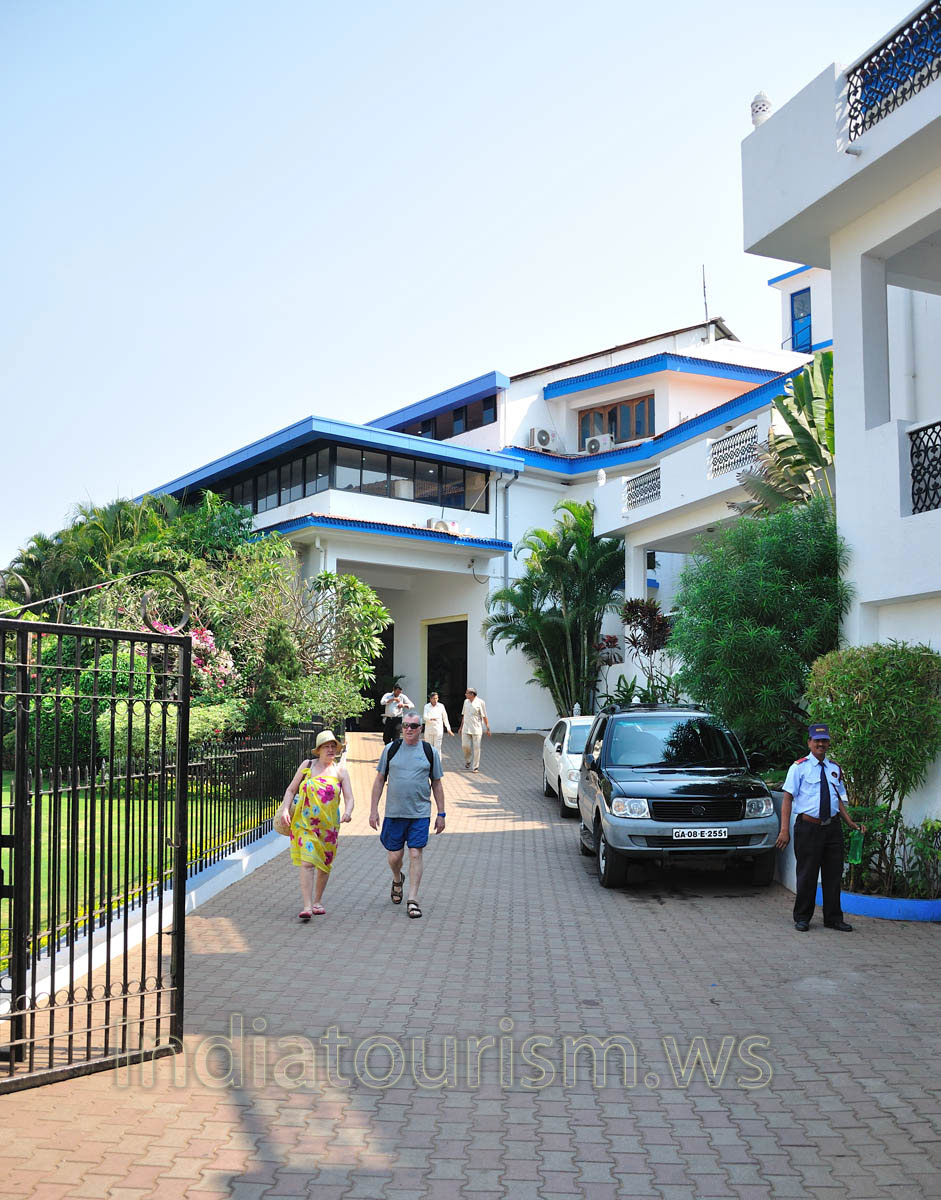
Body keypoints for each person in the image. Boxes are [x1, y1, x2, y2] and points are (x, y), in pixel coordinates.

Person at [776, 723, 865, 933]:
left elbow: (837, 800)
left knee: (833, 874)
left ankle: (833, 918)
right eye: (817, 740)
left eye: (824, 740)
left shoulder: (835, 768)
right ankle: (802, 917)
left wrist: (850, 822)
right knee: (807, 874)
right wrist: (784, 830)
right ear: (809, 742)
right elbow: (787, 798)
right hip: (808, 827)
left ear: (828, 743)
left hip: (832, 828)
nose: (821, 744)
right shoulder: (799, 767)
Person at [369, 710, 445, 919]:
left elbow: (437, 783)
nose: (409, 729)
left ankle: (413, 899)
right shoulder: (390, 750)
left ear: (421, 728)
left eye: (413, 726)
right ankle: (397, 877)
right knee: (395, 857)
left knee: (415, 853)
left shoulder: (430, 752)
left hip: (419, 814)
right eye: (405, 726)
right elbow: (379, 780)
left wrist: (441, 813)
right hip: (394, 813)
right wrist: (373, 810)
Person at [277, 730, 354, 920]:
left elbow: (350, 798)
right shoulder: (307, 766)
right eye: (326, 746)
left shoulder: (340, 771)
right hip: (305, 825)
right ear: (318, 750)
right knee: (308, 862)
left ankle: (318, 900)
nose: (330, 750)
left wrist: (348, 812)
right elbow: (290, 790)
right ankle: (307, 906)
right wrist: (286, 809)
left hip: (329, 828)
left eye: (333, 746)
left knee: (324, 865)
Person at [457, 687, 490, 771]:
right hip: (466, 728)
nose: (465, 694)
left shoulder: (480, 702)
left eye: (467, 693)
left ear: (472, 694)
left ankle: (475, 766)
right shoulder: (466, 702)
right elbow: (464, 715)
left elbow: (484, 716)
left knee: (477, 748)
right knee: (465, 746)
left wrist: (488, 728)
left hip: (477, 729)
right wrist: (461, 727)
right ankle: (468, 760)